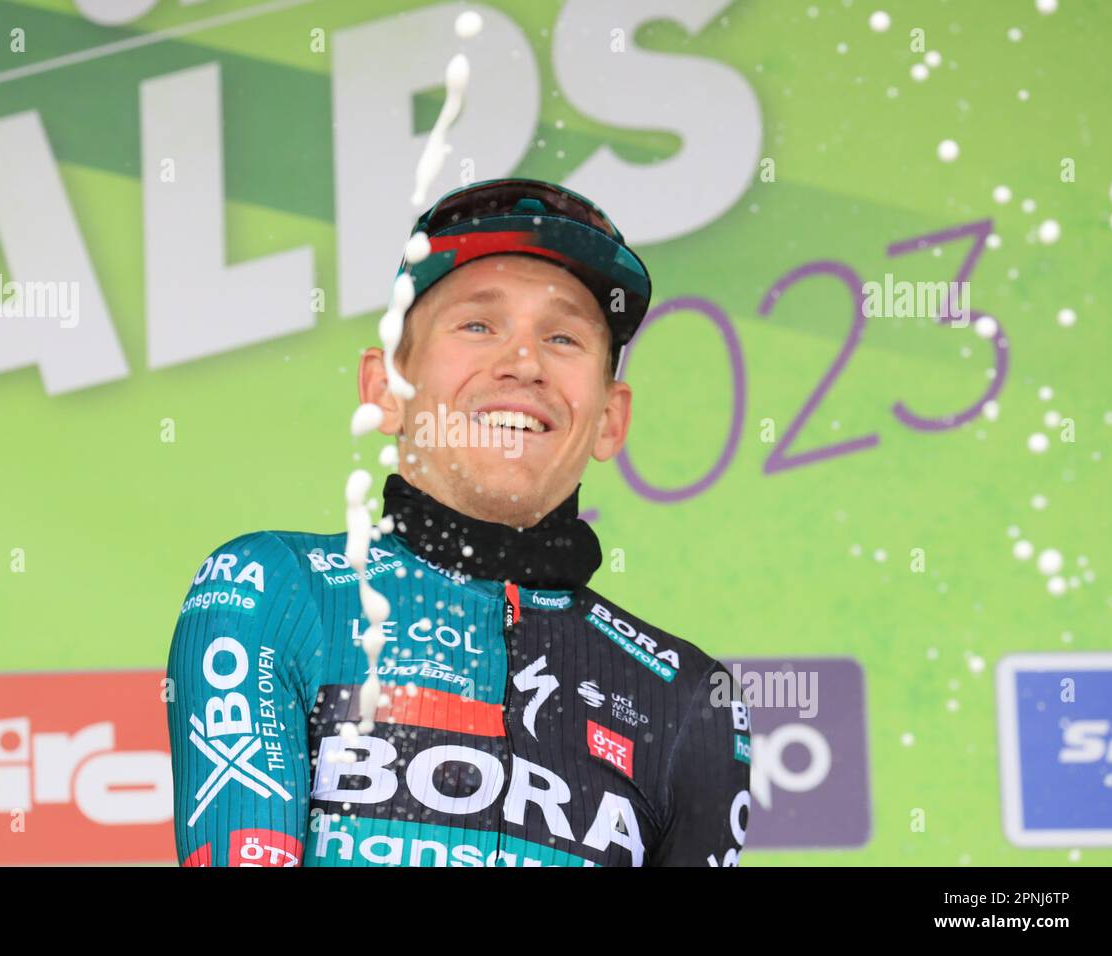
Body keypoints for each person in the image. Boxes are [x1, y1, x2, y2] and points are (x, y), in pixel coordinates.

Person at [166, 178, 751, 867]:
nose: (524, 363)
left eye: (563, 336)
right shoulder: (274, 590)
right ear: (384, 388)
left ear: (610, 418)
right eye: (478, 324)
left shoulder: (690, 699)